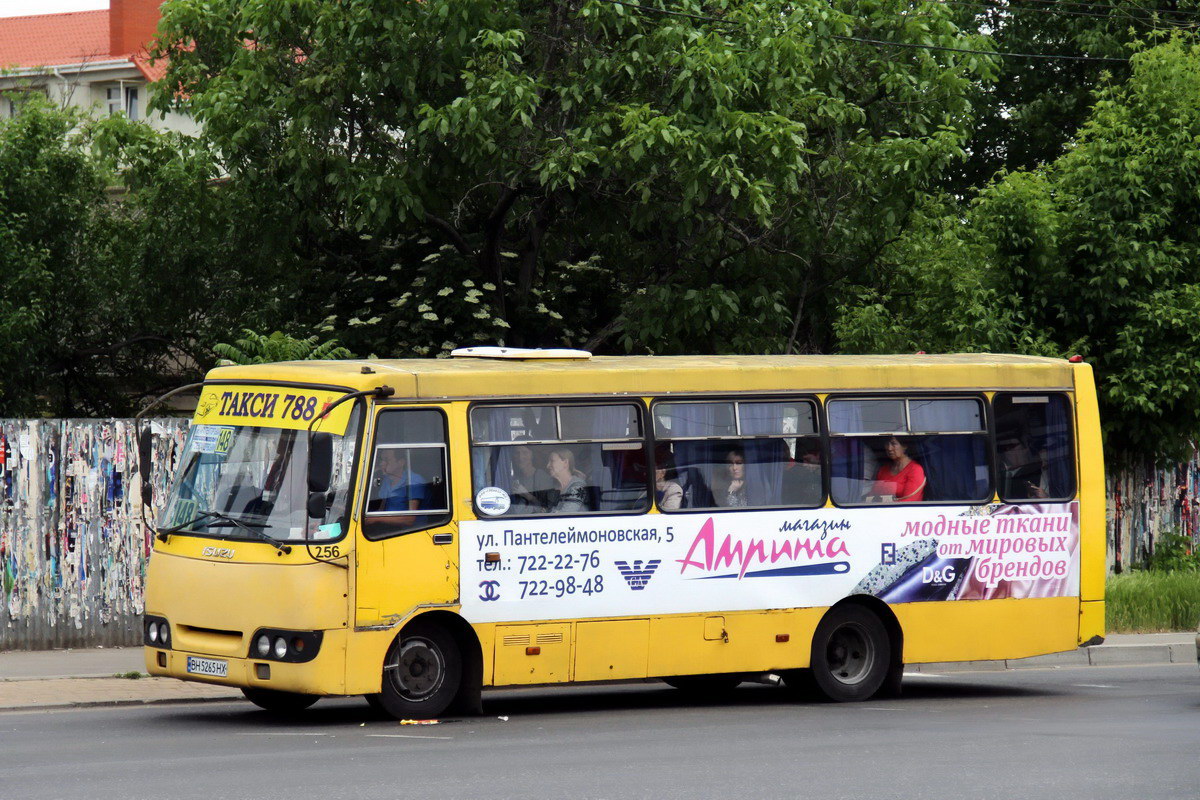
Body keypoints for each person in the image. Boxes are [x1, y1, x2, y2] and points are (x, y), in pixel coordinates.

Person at [373, 448, 426, 522]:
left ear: (401, 462)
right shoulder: (387, 479)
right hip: (388, 527)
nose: (381, 463)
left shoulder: (414, 481)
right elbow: (381, 510)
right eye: (381, 460)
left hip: (410, 531)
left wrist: (376, 519)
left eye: (387, 460)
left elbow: (410, 519)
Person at [872, 436, 925, 502]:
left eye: (893, 444)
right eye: (887, 444)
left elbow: (909, 501)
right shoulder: (883, 469)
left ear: (904, 446)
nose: (889, 448)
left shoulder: (915, 470)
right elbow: (873, 495)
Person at [998, 435, 1048, 500]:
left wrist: (1046, 497)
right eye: (1005, 448)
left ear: (1025, 450)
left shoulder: (1039, 472)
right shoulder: (1000, 476)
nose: (1010, 451)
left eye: (1013, 446)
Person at [509, 444, 552, 513]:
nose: (520, 457)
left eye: (525, 453)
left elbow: (547, 506)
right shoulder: (515, 478)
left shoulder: (541, 477)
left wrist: (526, 494)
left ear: (532, 455)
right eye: (517, 453)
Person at [546, 447, 589, 513]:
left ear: (565, 463)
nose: (548, 466)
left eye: (552, 461)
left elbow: (567, 514)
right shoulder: (554, 487)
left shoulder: (578, 486)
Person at [654, 445, 683, 511]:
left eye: (652, 469)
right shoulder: (645, 490)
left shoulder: (674, 489)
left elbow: (669, 514)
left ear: (662, 472)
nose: (645, 473)